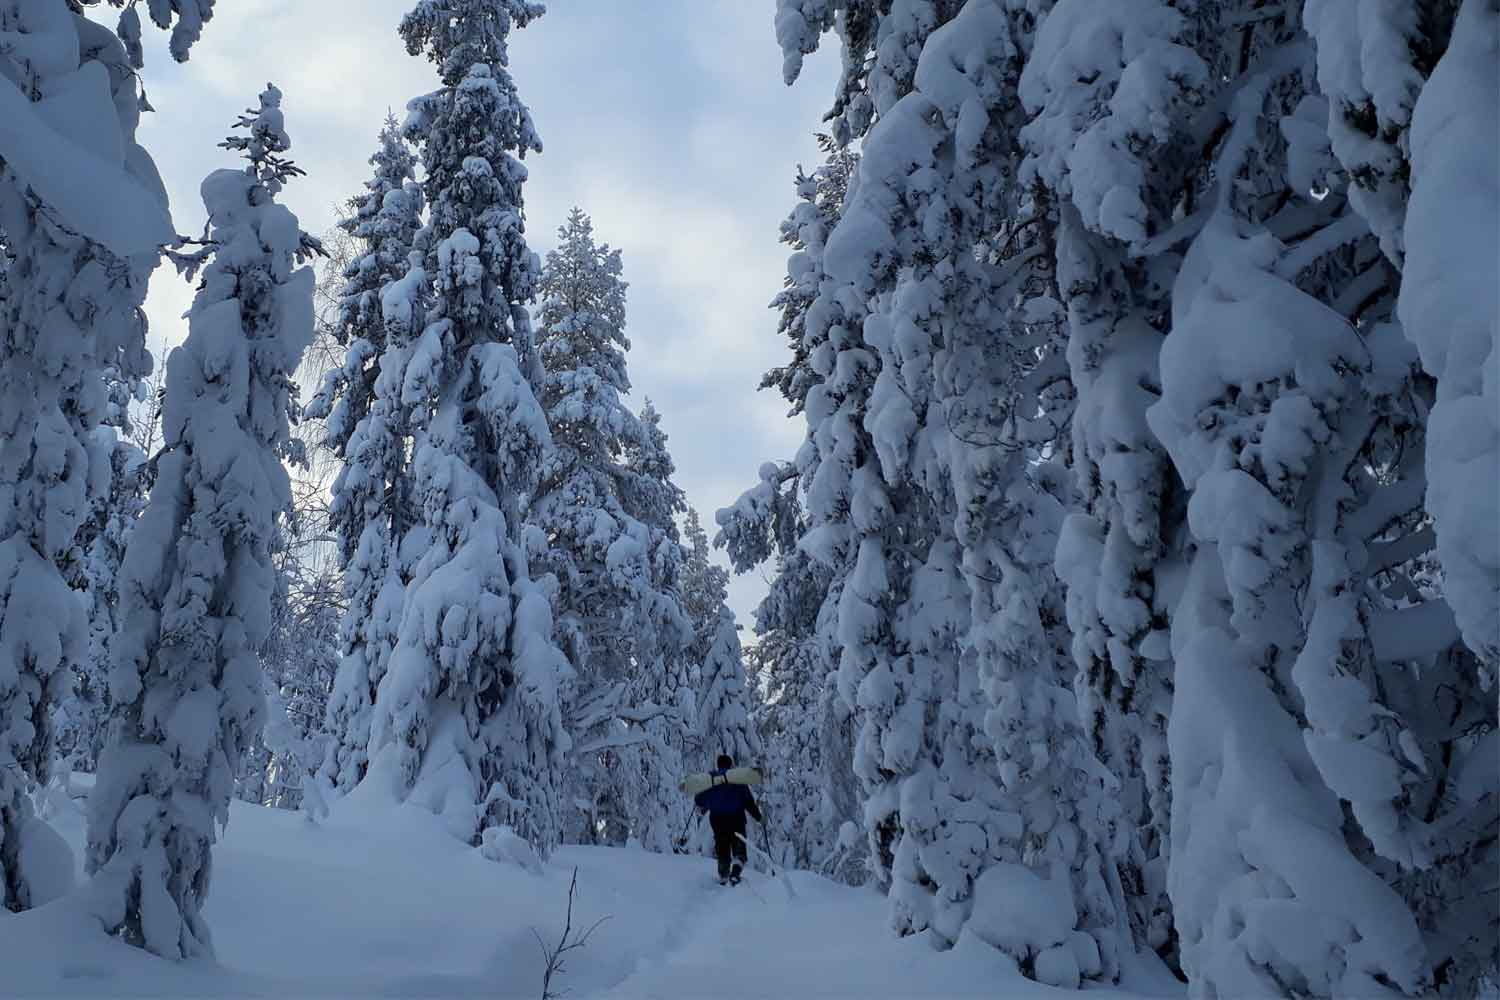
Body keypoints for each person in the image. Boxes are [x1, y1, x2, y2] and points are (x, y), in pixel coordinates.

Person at [693, 754, 762, 884]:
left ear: (718, 765)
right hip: (736, 819)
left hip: (717, 820)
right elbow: (748, 801)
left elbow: (699, 800)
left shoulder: (711, 780)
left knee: (722, 847)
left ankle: (724, 876)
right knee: (739, 849)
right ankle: (735, 874)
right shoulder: (737, 780)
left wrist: (705, 804)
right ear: (730, 765)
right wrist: (758, 817)